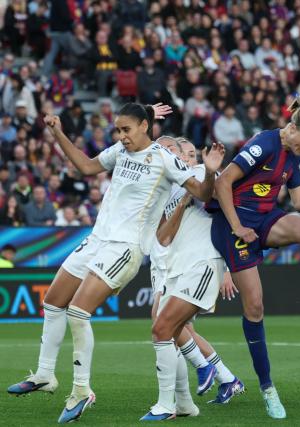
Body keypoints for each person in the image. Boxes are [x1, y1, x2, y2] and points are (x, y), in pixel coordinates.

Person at [7, 103, 224, 425]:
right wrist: (57, 133)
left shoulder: (164, 159)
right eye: (117, 130)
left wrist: (207, 170)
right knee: (53, 301)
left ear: (145, 127)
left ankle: (81, 390)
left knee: (79, 313)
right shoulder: (120, 151)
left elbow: (203, 193)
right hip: (96, 240)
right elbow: (87, 167)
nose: (121, 136)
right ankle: (44, 374)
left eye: (126, 130)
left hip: (126, 246)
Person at [209, 93, 300, 419]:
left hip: (263, 218)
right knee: (255, 306)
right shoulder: (265, 144)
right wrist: (236, 228)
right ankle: (267, 388)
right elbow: (222, 184)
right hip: (233, 222)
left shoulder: (294, 156)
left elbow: (299, 199)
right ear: (292, 128)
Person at [142, 137, 244, 420]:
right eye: (175, 151)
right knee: (171, 326)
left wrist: (224, 268)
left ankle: (196, 378)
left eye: (187, 153)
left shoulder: (199, 173)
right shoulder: (171, 186)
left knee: (165, 324)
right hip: (172, 263)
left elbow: (218, 207)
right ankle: (209, 385)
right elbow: (163, 236)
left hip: (198, 263)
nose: (184, 157)